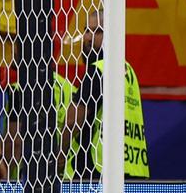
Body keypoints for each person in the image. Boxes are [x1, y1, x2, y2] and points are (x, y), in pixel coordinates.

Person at [64, 11, 150, 180]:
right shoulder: (129, 71)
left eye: (98, 32)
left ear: (113, 35)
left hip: (97, 173)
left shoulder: (99, 70)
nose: (89, 38)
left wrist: (58, 155)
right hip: (133, 170)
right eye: (87, 30)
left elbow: (72, 121)